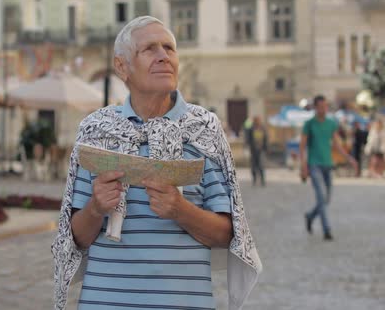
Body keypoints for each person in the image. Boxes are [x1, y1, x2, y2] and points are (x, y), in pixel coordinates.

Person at [52, 16, 261, 310]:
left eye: (169, 48)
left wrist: (180, 210)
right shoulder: (96, 132)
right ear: (122, 67)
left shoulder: (204, 129)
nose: (164, 56)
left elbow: (228, 235)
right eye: (150, 49)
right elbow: (76, 238)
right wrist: (96, 208)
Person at [300, 95, 358, 241]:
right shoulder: (309, 124)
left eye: (325, 106)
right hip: (314, 165)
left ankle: (310, 216)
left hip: (328, 165)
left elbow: (336, 145)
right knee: (321, 197)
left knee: (326, 200)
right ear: (315, 107)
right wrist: (303, 166)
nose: (323, 109)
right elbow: (302, 146)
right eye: (320, 107)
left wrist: (349, 158)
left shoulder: (331, 123)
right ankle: (327, 230)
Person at [245, 115, 268, 186]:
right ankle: (254, 179)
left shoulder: (262, 128)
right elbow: (248, 139)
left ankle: (262, 180)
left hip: (261, 150)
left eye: (258, 120)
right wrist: (248, 145)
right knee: (253, 166)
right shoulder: (251, 129)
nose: (257, 122)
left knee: (261, 165)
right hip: (253, 150)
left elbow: (265, 138)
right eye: (256, 120)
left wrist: (266, 147)